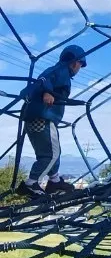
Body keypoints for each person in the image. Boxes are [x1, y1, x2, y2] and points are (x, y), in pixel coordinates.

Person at [17, 43, 87, 198]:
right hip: (43, 117)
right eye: (80, 65)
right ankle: (31, 183)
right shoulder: (61, 70)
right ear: (75, 62)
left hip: (35, 119)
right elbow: (43, 79)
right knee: (51, 154)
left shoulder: (60, 72)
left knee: (50, 151)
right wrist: (46, 92)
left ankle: (54, 180)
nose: (79, 69)